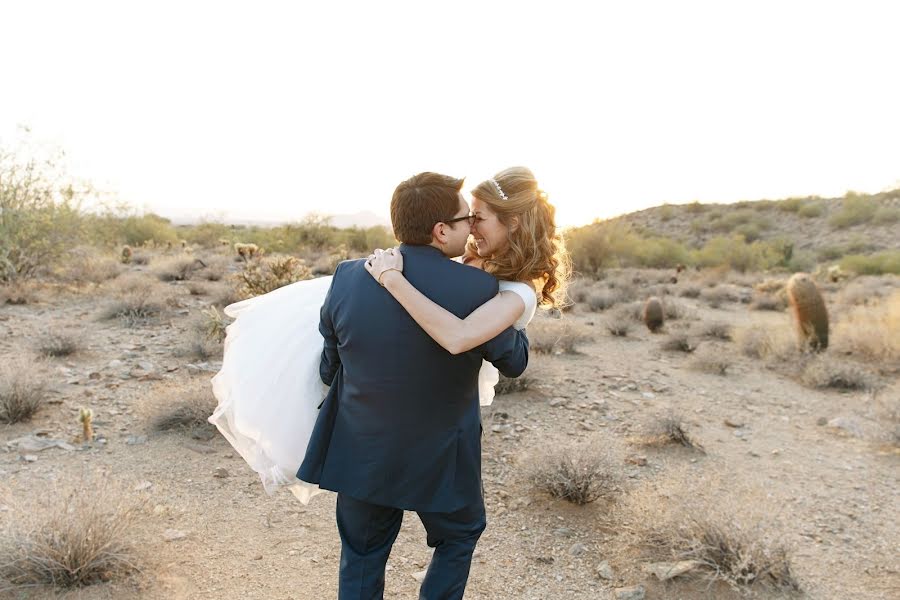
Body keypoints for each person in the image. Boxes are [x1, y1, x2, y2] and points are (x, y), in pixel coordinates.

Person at [297, 171, 531, 599]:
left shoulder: (348, 276)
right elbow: (514, 361)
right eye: (467, 220)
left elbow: (330, 367)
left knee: (362, 556)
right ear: (442, 230)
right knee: (458, 537)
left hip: (363, 448)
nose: (473, 228)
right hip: (442, 457)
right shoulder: (479, 288)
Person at [363, 166, 569, 406]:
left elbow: (458, 338)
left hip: (450, 396)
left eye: (478, 219)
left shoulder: (519, 293)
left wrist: (392, 278)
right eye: (470, 216)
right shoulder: (468, 258)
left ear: (512, 223)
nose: (469, 227)